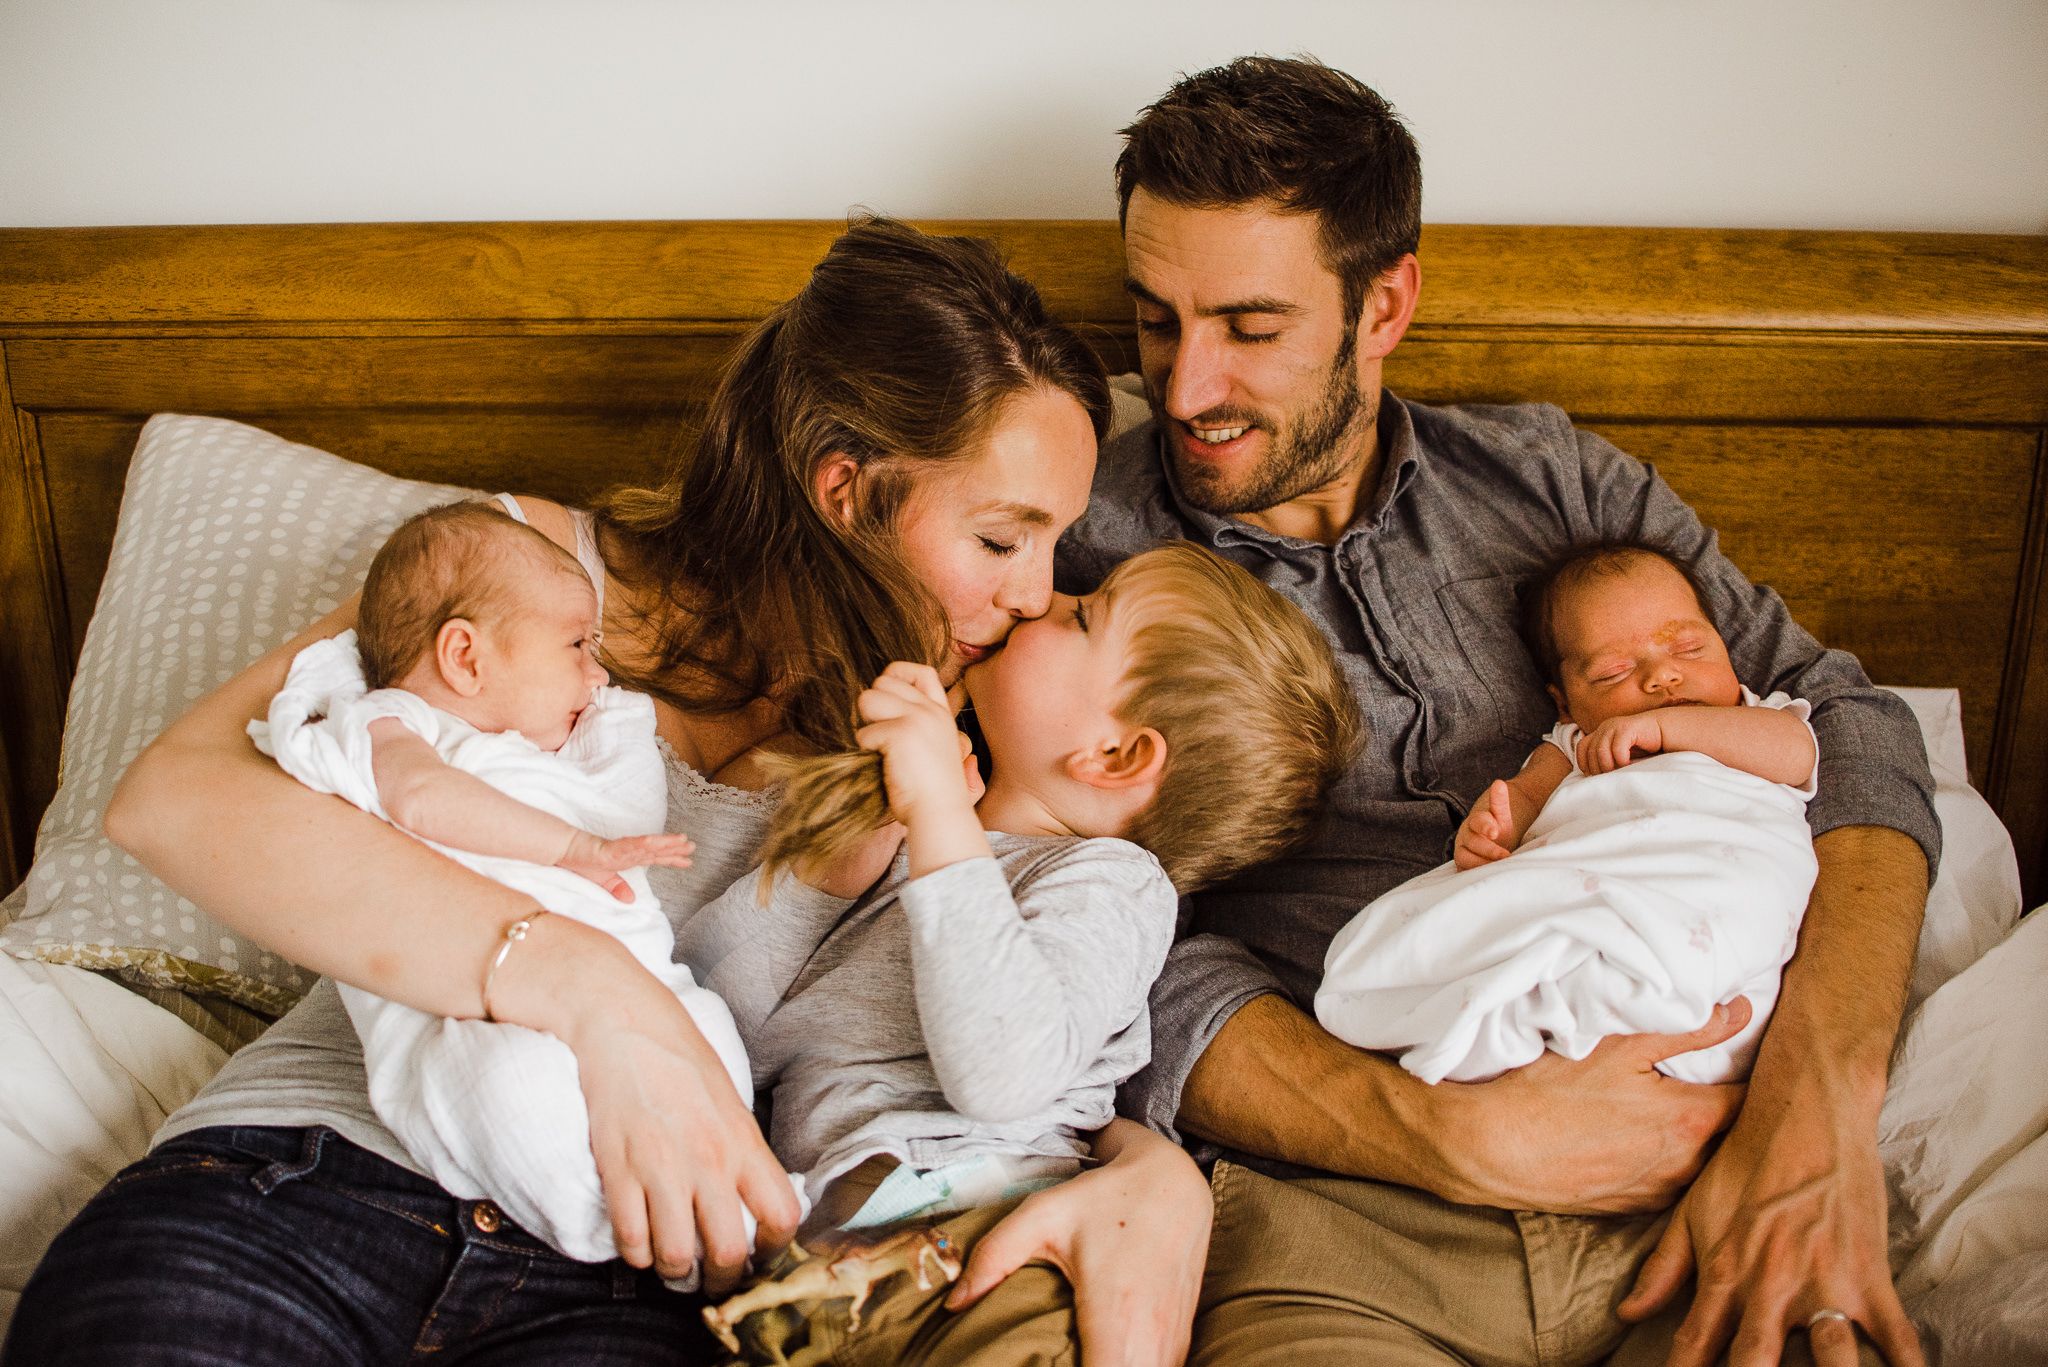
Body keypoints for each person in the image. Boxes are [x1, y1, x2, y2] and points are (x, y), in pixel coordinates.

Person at [6, 219, 1211, 1367]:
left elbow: (995, 1038)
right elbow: (174, 800)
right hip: (309, 1168)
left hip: (623, 1275)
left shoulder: (958, 765)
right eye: (1002, 539)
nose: (1035, 592)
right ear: (844, 491)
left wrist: (1149, 1168)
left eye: (1056, 544)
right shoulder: (516, 573)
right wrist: (588, 989)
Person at [1055, 57, 1937, 1367]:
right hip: (1344, 1224)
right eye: (1152, 320)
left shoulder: (1554, 484)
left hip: (1708, 1183)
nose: (1184, 391)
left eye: (1248, 327)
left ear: (1385, 300)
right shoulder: (1075, 554)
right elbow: (1058, 920)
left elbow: (1848, 721)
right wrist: (1440, 1134)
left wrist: (1811, 1105)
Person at [686, 540, 1356, 1362]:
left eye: (1084, 614)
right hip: (826, 1272)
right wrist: (824, 874)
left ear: (1115, 755)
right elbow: (719, 1025)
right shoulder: (914, 846)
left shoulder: (1114, 884)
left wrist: (938, 814)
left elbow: (1004, 1074)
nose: (1046, 600)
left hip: (994, 1242)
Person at [252, 498, 797, 1273]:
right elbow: (422, 802)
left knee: (706, 1031)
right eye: (576, 644)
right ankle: (610, 1228)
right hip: (477, 1018)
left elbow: (624, 792)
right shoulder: (395, 725)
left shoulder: (553, 748)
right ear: (466, 658)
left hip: (638, 996)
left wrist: (606, 731)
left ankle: (733, 1197)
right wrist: (576, 846)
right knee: (510, 1088)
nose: (596, 670)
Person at [1315, 542, 1818, 1087]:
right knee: (1409, 931)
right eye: (1612, 672)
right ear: (1565, 702)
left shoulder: (1760, 717)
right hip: (1588, 875)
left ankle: (1595, 1005)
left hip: (1706, 879)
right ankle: (1510, 1017)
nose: (1662, 677)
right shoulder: (1571, 743)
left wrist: (1665, 730)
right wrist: (1493, 829)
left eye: (1690, 648)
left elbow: (1795, 755)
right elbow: (1524, 798)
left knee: (1672, 940)